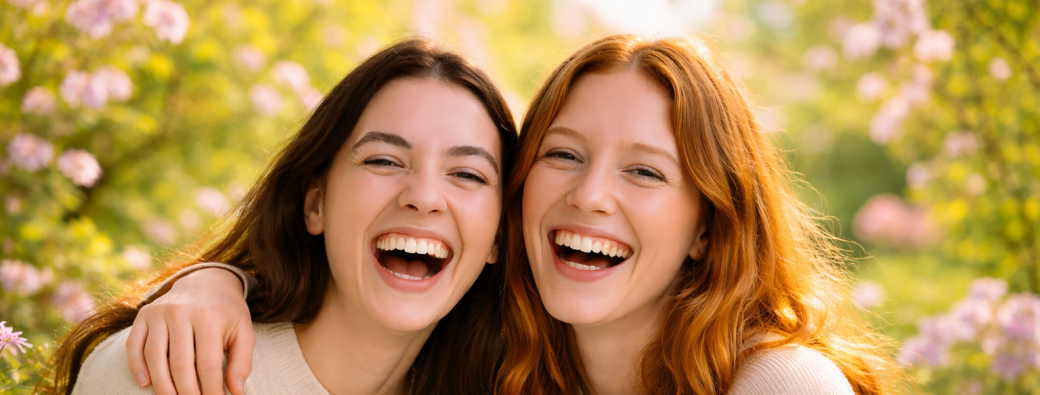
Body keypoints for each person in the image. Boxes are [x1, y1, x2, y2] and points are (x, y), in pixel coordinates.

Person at [116, 34, 902, 395]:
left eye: (645, 170)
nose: (591, 194)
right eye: (561, 154)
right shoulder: (495, 361)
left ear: (709, 227)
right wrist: (209, 282)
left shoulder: (776, 385)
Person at [51, 38, 518, 395]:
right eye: (383, 160)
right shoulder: (170, 370)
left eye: (468, 174)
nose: (424, 196)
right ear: (315, 202)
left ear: (498, 235)